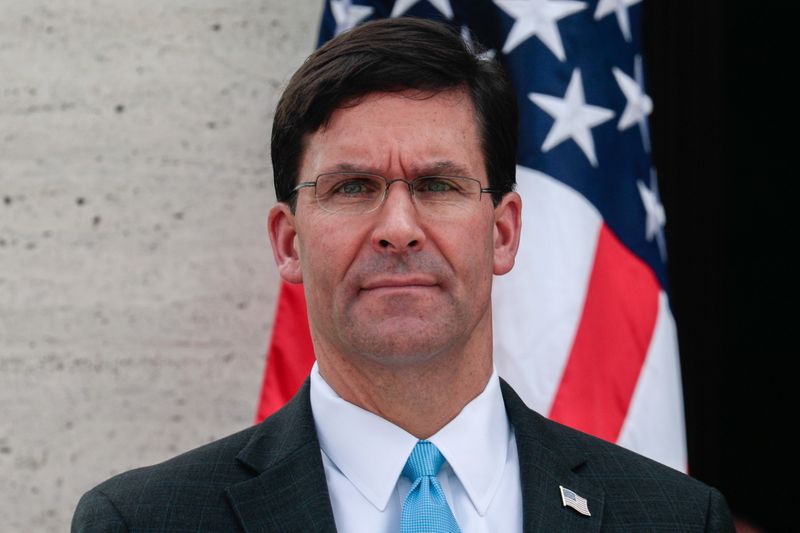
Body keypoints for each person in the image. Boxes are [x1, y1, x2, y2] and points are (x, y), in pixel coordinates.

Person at [72, 18, 734, 532]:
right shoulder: (144, 520)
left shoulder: (674, 517)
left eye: (437, 183)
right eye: (354, 186)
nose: (398, 226)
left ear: (503, 232)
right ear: (288, 241)